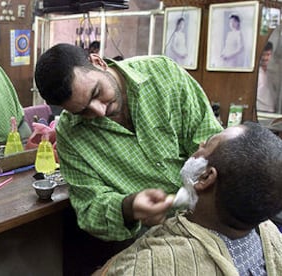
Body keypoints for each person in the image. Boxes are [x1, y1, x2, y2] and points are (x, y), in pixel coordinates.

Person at [34, 43, 223, 242]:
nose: (99, 111)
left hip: (213, 214)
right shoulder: (70, 134)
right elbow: (90, 208)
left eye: (96, 93)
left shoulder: (163, 75)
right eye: (83, 112)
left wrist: (207, 165)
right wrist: (128, 208)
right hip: (155, 237)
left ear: (98, 62)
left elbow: (211, 142)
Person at [95, 121, 282, 275]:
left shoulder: (151, 267)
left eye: (207, 144)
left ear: (206, 177)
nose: (199, 145)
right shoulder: (269, 231)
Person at [257, 41, 276, 113]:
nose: (265, 58)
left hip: (271, 111)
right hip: (259, 110)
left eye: (268, 54)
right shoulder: (256, 73)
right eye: (263, 55)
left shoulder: (272, 73)